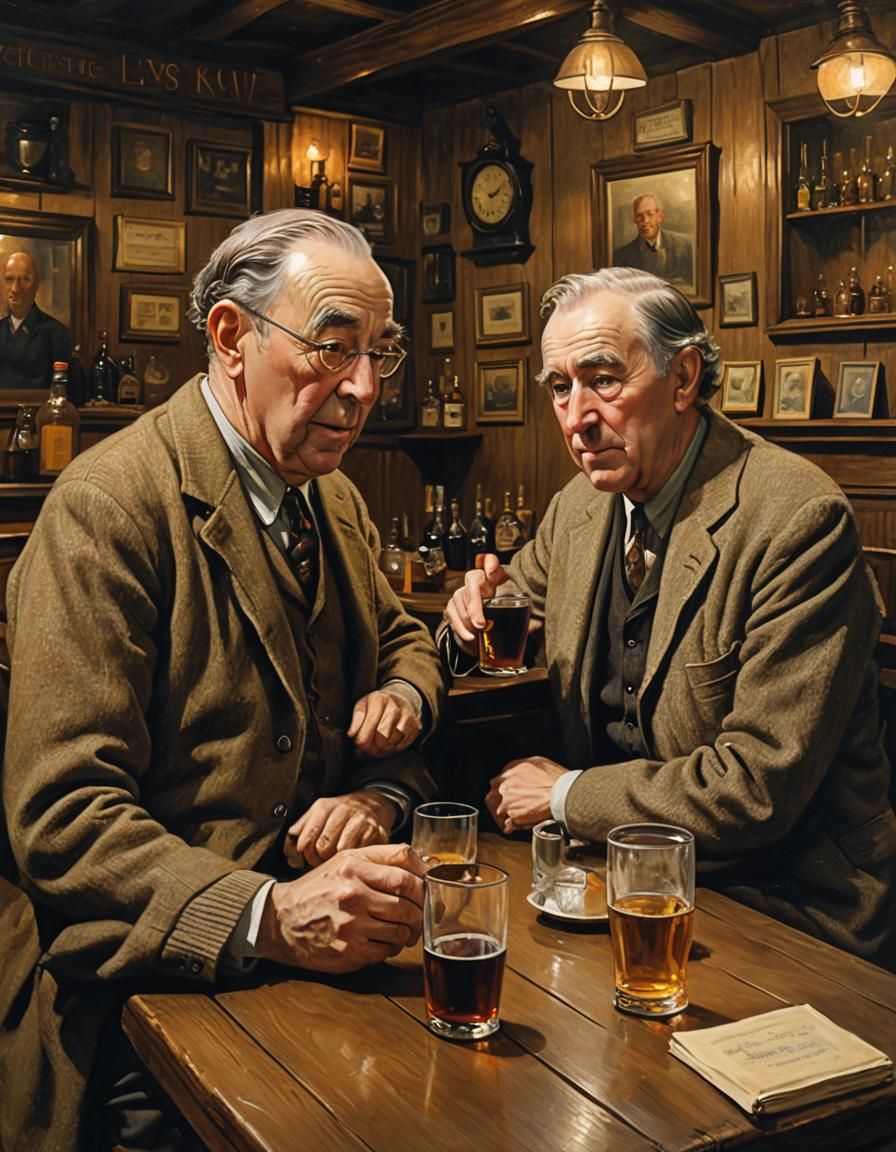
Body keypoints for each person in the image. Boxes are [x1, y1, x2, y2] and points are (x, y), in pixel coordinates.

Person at [1, 209, 445, 1152]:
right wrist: (271, 915)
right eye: (334, 347)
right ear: (232, 337)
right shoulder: (106, 508)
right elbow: (64, 816)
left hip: (326, 965)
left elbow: (405, 641)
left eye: (380, 352)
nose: (364, 387)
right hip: (142, 1000)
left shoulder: (334, 498)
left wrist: (385, 760)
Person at [443, 266, 895, 967]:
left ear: (683, 379)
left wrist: (563, 795)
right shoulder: (581, 506)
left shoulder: (798, 519)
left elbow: (755, 788)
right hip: (613, 882)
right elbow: (506, 608)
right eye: (559, 387)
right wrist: (467, 617)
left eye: (602, 380)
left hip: (781, 904)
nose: (576, 418)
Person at [0, 250, 71, 389]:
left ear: (36, 285)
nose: (15, 289)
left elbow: (61, 391)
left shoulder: (56, 333)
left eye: (25, 280)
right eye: (9, 279)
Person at [613, 193, 693, 285]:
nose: (645, 221)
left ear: (660, 216)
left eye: (649, 214)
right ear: (634, 219)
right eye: (639, 216)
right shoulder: (621, 257)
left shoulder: (685, 245)